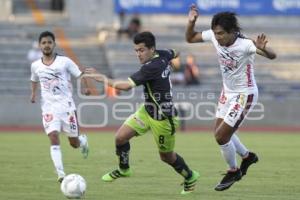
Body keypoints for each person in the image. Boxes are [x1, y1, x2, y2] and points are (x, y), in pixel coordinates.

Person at [85, 31, 199, 195]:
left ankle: (190, 176)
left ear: (152, 49)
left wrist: (101, 77)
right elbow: (175, 52)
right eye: (136, 50)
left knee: (166, 157)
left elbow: (125, 86)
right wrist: (174, 60)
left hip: (164, 119)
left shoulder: (151, 67)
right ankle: (124, 169)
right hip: (148, 110)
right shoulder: (163, 54)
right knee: (120, 137)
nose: (138, 54)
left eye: (141, 50)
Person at [185, 5, 276, 191]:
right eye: (216, 33)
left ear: (233, 32)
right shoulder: (214, 36)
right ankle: (247, 156)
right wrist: (191, 22)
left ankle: (233, 170)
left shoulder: (246, 45)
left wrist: (264, 50)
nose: (217, 38)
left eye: (221, 34)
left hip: (245, 94)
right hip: (227, 92)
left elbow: (273, 56)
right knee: (221, 132)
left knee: (221, 136)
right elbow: (190, 38)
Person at [30, 31, 89, 183]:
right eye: (43, 43)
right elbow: (34, 79)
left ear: (54, 44)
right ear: (40, 45)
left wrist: (85, 87)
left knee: (73, 143)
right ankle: (61, 174)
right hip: (49, 108)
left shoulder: (65, 61)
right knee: (53, 136)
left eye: (49, 42)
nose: (47, 45)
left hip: (67, 107)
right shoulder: (35, 65)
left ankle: (82, 141)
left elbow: (80, 74)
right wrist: (33, 94)